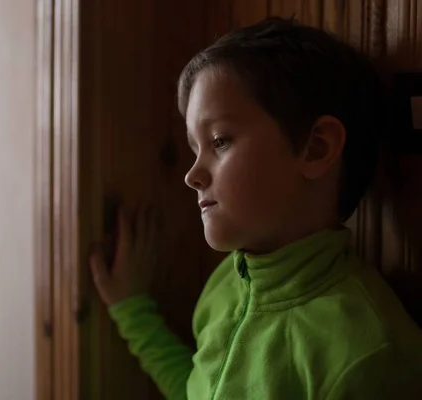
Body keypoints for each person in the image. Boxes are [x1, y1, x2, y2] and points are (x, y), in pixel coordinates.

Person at [90, 17, 422, 399]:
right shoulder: (225, 287)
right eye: (194, 149)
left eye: (219, 141)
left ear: (316, 148)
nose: (192, 175)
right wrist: (132, 311)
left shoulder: (369, 354)